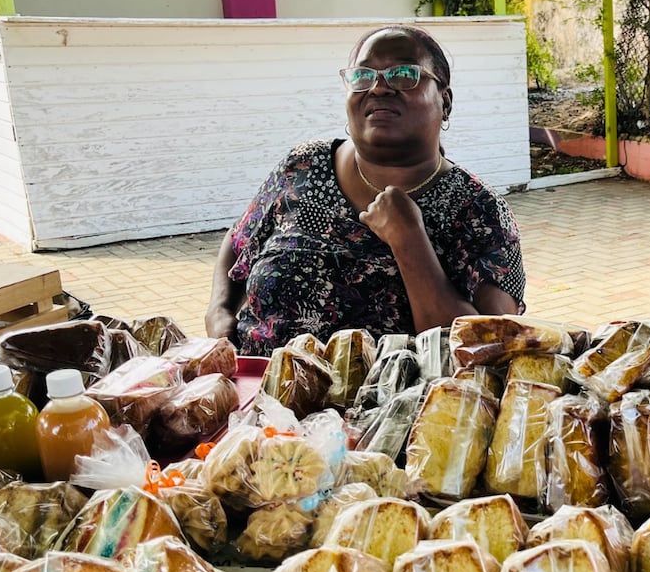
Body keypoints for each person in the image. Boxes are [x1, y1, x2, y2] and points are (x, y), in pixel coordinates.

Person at [206, 25, 526, 355]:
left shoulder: (480, 210)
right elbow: (240, 239)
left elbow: (492, 348)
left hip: (388, 404)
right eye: (363, 76)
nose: (379, 88)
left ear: (444, 101)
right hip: (260, 391)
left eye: (404, 74)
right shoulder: (303, 165)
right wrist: (219, 310)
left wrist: (410, 240)